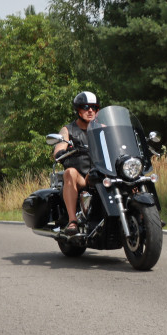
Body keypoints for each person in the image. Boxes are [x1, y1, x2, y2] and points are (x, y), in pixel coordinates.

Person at [53, 91, 100, 234]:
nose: (90, 110)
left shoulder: (103, 128)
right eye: (86, 107)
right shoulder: (68, 130)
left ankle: (144, 216)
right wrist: (61, 152)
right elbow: (58, 151)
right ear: (78, 110)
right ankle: (72, 221)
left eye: (94, 107)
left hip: (102, 173)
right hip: (82, 177)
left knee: (129, 173)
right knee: (70, 172)